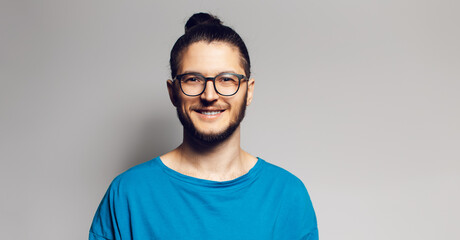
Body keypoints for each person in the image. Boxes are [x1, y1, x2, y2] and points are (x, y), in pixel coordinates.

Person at [89, 12, 318, 240]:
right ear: (173, 92)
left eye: (227, 79)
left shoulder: (287, 195)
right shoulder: (128, 194)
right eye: (193, 79)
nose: (209, 95)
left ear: (248, 91)